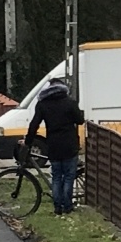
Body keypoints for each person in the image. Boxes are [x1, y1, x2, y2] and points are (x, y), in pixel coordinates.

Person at [26, 78, 84, 216]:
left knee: (57, 176)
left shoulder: (42, 104)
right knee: (69, 176)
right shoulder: (69, 102)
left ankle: (58, 208)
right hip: (69, 144)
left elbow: (34, 124)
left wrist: (28, 142)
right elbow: (80, 121)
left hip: (53, 144)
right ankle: (68, 207)